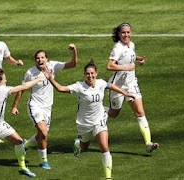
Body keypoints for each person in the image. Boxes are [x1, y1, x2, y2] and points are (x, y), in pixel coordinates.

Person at [42, 59, 136, 180]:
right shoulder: (79, 87)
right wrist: (50, 78)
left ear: (96, 73)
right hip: (84, 123)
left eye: (92, 73)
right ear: (84, 75)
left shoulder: (101, 83)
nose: (90, 76)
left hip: (99, 120)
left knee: (104, 147)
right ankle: (78, 144)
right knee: (84, 147)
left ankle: (108, 177)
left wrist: (125, 93)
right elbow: (61, 89)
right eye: (87, 74)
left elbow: (110, 86)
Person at [11, 44, 78, 169]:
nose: (40, 60)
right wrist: (14, 106)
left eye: (42, 57)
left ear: (47, 59)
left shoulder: (53, 66)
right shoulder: (30, 73)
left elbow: (73, 64)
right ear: (35, 60)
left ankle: (25, 145)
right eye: (37, 58)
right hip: (35, 105)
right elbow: (21, 89)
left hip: (48, 107)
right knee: (44, 133)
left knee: (41, 135)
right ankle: (44, 161)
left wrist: (74, 50)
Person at [0, 69, 45, 179]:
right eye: (5, 77)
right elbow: (24, 87)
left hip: (0, 124)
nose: (6, 79)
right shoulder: (3, 90)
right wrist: (39, 79)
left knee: (19, 141)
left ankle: (22, 167)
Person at [106, 22, 159, 153]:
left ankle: (148, 143)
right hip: (117, 86)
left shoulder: (132, 45)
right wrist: (127, 68)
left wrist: (138, 58)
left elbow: (129, 55)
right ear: (119, 34)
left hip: (131, 85)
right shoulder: (117, 48)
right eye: (123, 32)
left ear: (132, 33)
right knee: (113, 114)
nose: (126, 35)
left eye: (128, 32)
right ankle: (96, 109)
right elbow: (110, 66)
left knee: (140, 112)